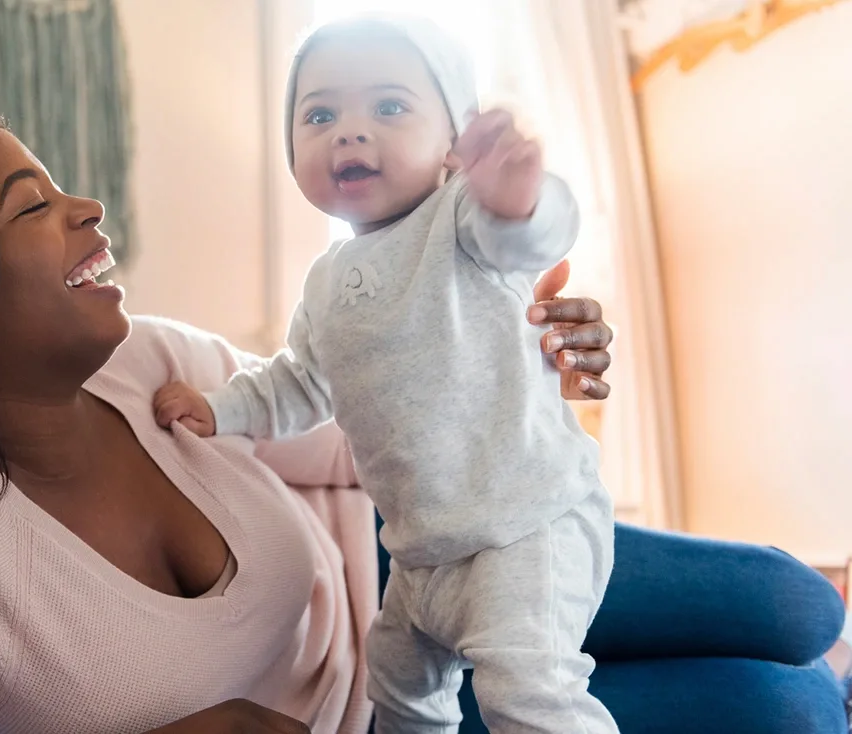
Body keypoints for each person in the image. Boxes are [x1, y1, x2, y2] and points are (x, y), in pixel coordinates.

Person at [0, 112, 847, 734]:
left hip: (448, 534)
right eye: (34, 203)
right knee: (788, 704)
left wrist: (509, 356)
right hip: (411, 709)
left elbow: (359, 433)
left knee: (796, 602)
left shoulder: (145, 361)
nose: (87, 208)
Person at [151, 16, 613, 733]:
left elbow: (531, 234)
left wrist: (516, 192)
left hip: (526, 524)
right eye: (320, 114)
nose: (350, 131)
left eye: (390, 107)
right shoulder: (327, 281)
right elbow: (301, 382)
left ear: (454, 144)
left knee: (528, 692)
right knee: (398, 691)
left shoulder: (463, 218)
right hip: (421, 552)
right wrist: (220, 409)